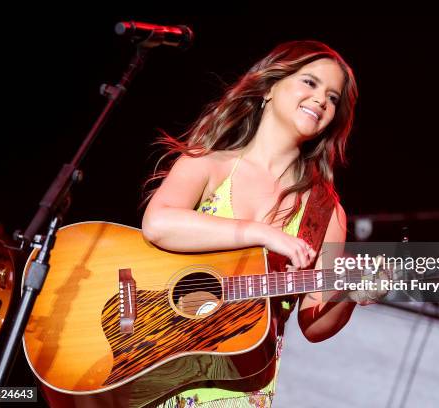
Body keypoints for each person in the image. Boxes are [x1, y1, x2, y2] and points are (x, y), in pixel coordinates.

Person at [142, 40, 381, 408]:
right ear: (269, 87)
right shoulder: (210, 163)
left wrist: (349, 296)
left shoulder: (325, 212)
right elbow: (157, 223)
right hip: (154, 361)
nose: (321, 100)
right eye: (310, 83)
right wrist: (261, 233)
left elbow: (312, 325)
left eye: (333, 98)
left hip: (234, 390)